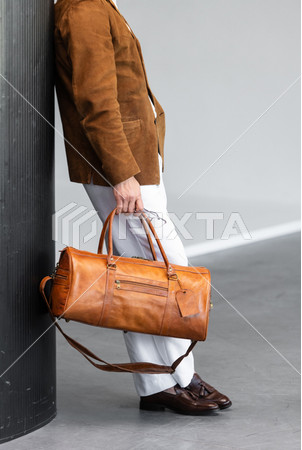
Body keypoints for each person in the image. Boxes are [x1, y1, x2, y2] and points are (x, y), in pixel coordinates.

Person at [54, 0, 232, 414]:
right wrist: (121, 173)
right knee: (169, 272)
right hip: (122, 166)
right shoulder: (85, 10)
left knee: (139, 275)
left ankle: (155, 385)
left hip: (130, 161)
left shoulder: (96, 5)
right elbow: (96, 101)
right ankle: (185, 378)